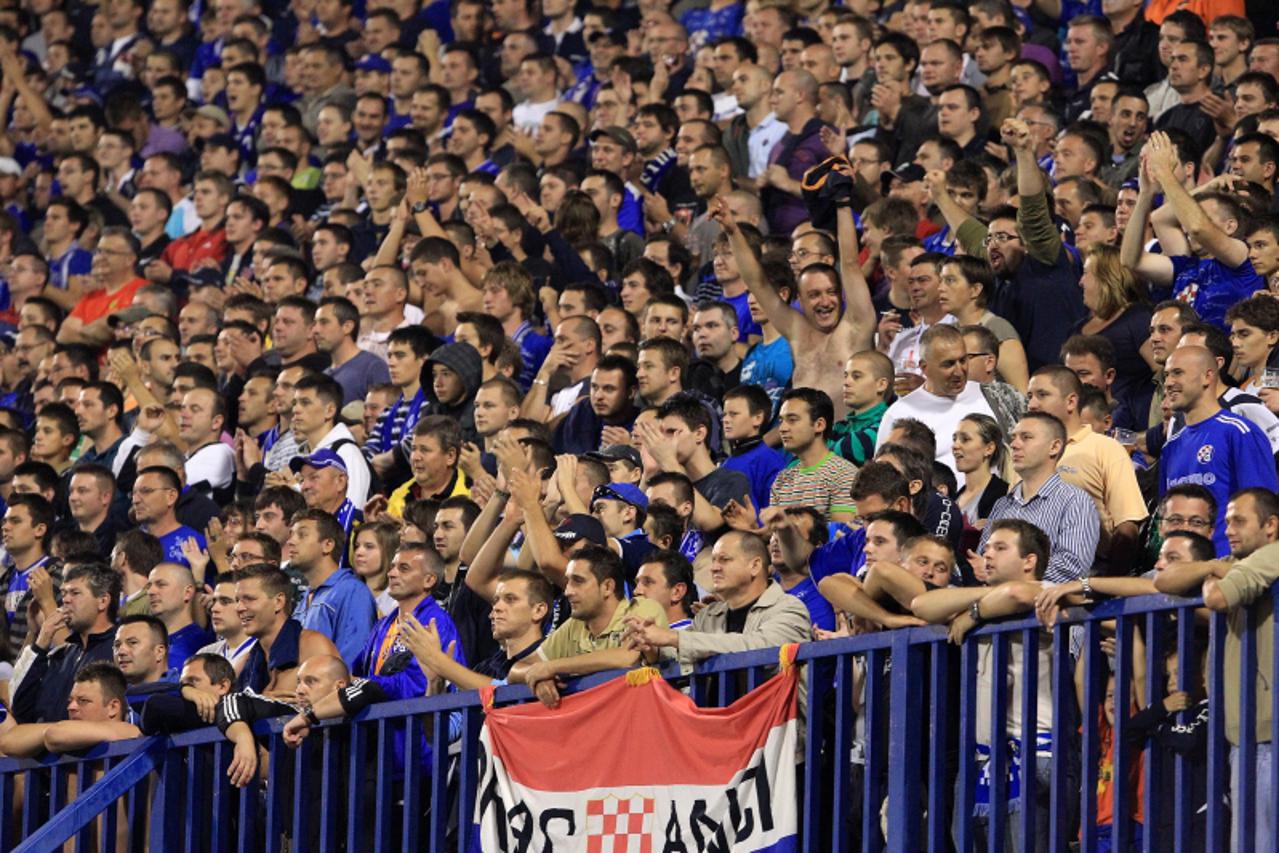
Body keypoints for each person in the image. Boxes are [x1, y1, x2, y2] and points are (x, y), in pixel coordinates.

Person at [1157, 488, 1279, 853]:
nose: (1230, 530)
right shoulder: (1233, 560)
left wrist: (1211, 581)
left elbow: (1217, 598)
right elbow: (1162, 582)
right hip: (1245, 734)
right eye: (1226, 522)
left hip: (1266, 735)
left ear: (1271, 526)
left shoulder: (1274, 554)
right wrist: (1212, 566)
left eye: (1239, 521)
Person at [1159, 346, 1278, 555]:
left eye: (1178, 373)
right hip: (1179, 568)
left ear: (1208, 376)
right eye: (1167, 375)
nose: (1168, 383)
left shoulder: (1239, 432)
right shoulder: (1171, 447)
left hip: (1228, 569)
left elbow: (1264, 512)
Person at [975, 413, 1101, 583]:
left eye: (1026, 437)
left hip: (1046, 605)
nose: (1014, 444)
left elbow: (1072, 568)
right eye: (1014, 438)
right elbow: (982, 559)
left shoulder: (1075, 501)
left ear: (1054, 447)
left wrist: (1008, 573)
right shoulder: (1002, 505)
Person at [876, 324, 996, 478]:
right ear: (924, 367)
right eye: (949, 364)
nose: (959, 371)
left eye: (963, 360)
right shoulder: (899, 414)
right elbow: (884, 476)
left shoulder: (992, 396)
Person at [12, 563, 120, 723]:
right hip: (47, 745)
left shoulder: (118, 650)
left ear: (103, 601)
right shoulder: (62, 655)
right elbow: (21, 709)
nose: (66, 600)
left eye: (75, 593)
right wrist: (40, 643)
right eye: (64, 593)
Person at [285, 508, 377, 667]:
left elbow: (352, 663)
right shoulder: (304, 599)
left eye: (302, 534)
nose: (291, 541)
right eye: (291, 535)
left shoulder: (352, 591)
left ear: (327, 545)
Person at [0, 663, 141, 757]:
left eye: (83, 701)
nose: (71, 707)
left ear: (113, 707)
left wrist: (55, 731)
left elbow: (54, 735)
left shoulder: (132, 728)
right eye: (70, 701)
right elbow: (7, 742)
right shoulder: (68, 730)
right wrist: (62, 728)